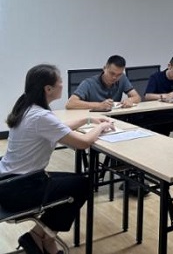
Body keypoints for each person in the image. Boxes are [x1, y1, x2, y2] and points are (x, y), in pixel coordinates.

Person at [0, 64, 114, 254]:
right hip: (21, 188)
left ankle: (40, 237)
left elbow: (57, 126)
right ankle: (43, 237)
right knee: (82, 185)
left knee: (74, 182)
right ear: (48, 89)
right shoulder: (40, 116)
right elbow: (83, 143)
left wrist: (88, 120)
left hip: (9, 181)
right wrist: (102, 127)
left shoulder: (28, 108)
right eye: (60, 81)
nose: (62, 84)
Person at [66, 55, 141, 110]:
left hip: (114, 117)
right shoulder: (89, 83)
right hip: (93, 119)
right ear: (104, 68)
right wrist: (99, 105)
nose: (115, 77)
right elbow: (70, 103)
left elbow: (137, 97)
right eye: (112, 73)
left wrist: (129, 100)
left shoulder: (122, 78)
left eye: (119, 75)